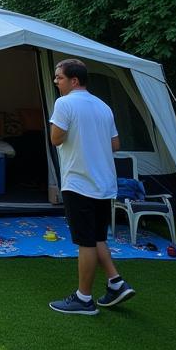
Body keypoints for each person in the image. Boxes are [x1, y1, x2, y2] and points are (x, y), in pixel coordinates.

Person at [48, 58, 133, 315]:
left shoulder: (64, 103)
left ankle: (84, 299)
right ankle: (116, 282)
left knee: (85, 241)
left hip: (79, 182)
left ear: (74, 80)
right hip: (104, 184)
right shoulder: (103, 106)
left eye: (59, 78)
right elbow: (115, 144)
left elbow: (56, 139)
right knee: (97, 237)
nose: (55, 82)